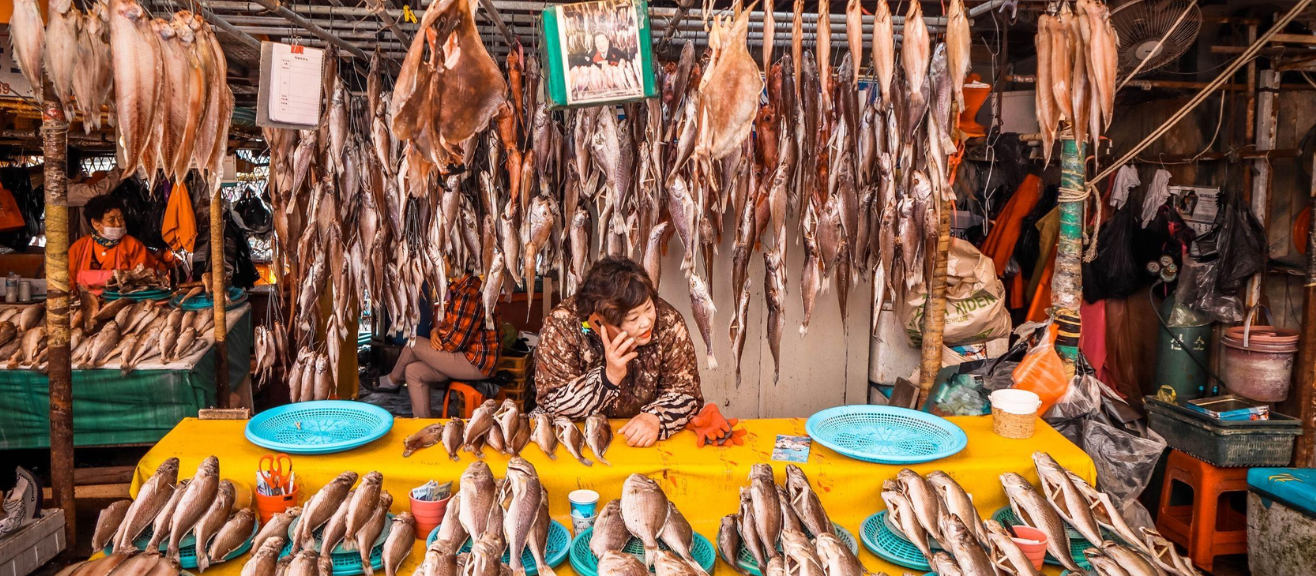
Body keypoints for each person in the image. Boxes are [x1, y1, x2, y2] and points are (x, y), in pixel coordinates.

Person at [536, 256, 703, 447]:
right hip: (576, 441)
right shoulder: (563, 326)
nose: (647, 322)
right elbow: (551, 403)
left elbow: (688, 394)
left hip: (639, 441)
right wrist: (607, 379)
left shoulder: (667, 321)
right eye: (633, 319)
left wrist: (656, 418)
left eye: (648, 308)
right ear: (599, 322)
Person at [382, 273, 500, 418]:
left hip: (476, 363)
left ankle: (392, 381)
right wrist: (434, 332)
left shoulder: (471, 292)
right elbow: (447, 327)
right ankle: (423, 425)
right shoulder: (459, 289)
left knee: (415, 343)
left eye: (443, 256)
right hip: (462, 356)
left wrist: (436, 336)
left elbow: (454, 343)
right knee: (413, 371)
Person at [68, 195, 169, 289]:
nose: (118, 224)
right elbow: (67, 281)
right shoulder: (79, 247)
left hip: (123, 303)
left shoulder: (133, 245)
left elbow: (145, 278)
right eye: (111, 220)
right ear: (95, 223)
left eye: (120, 219)